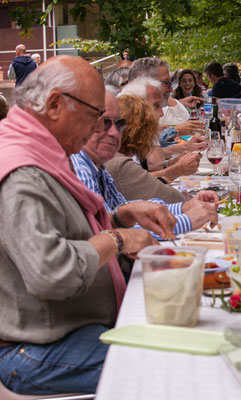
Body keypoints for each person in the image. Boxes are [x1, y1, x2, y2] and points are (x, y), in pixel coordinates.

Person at [0, 55, 174, 395]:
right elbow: (50, 271)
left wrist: (120, 217)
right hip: (36, 350)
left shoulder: (40, 153)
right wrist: (117, 239)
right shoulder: (23, 172)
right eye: (95, 116)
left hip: (63, 334)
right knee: (168, 365)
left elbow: (61, 231)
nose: (100, 129)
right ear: (53, 105)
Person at [72, 89, 218, 239]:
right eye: (104, 123)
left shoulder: (98, 166)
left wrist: (184, 207)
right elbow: (104, 233)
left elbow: (124, 212)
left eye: (119, 124)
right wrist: (187, 219)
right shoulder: (83, 168)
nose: (115, 133)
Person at [105, 94, 199, 203]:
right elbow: (174, 198)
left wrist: (171, 165)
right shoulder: (119, 163)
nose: (161, 113)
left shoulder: (119, 157)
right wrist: (177, 169)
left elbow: (143, 177)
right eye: (156, 106)